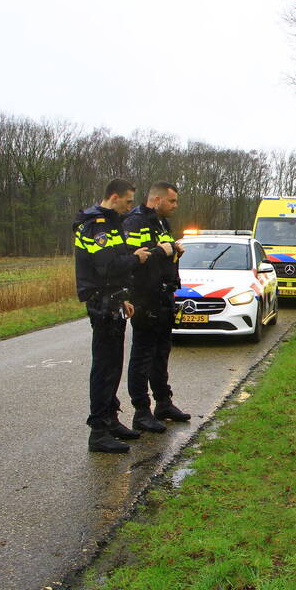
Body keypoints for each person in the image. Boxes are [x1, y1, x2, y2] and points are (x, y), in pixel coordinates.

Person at [73, 178, 159, 453]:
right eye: (128, 200)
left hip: (114, 302)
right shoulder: (95, 225)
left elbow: (115, 263)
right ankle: (98, 430)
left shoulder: (111, 223)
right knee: (104, 367)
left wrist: (124, 298)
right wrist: (137, 259)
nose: (130, 206)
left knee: (114, 365)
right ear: (114, 196)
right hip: (101, 304)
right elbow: (107, 267)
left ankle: (111, 420)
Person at [123, 181, 192, 431]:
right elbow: (133, 258)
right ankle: (141, 411)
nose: (175, 205)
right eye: (172, 201)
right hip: (144, 297)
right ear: (156, 199)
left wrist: (175, 251)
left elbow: (162, 253)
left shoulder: (162, 222)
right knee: (142, 355)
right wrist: (162, 252)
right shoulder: (135, 221)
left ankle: (164, 403)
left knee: (161, 353)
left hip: (163, 296)